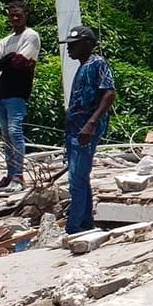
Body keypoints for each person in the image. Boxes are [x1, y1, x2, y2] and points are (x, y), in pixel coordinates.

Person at [59, 25, 114, 235]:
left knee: (76, 178)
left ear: (88, 44)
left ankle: (73, 226)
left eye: (74, 45)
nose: (70, 49)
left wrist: (91, 124)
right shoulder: (82, 66)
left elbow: (109, 93)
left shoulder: (97, 63)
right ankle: (85, 222)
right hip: (75, 129)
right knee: (81, 177)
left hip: (85, 130)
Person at [0, 0, 40, 194]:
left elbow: (20, 63)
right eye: (11, 14)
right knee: (6, 136)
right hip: (1, 93)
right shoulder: (5, 41)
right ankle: (10, 174)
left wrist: (5, 60)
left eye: (18, 14)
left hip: (18, 92)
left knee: (15, 132)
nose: (15, 17)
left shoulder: (31, 36)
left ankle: (19, 176)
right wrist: (8, 59)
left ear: (26, 15)